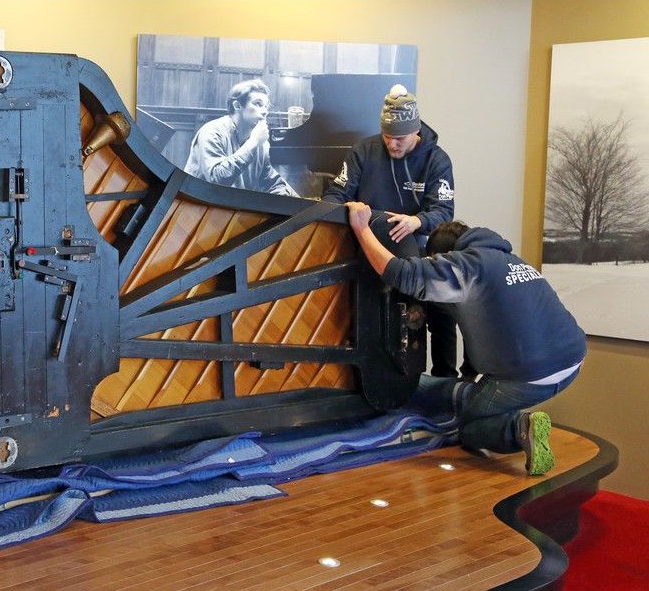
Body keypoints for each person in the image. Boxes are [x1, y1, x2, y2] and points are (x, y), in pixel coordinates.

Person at [344, 202, 587, 475]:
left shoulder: (469, 265)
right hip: (572, 362)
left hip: (528, 376)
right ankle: (501, 412)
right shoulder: (511, 261)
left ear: (444, 255)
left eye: (434, 260)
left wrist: (362, 228)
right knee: (473, 396)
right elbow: (485, 326)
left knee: (470, 429)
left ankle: (519, 428)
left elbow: (401, 273)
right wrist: (469, 374)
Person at [322, 84, 470, 379]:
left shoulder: (437, 160)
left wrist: (417, 222)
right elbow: (333, 197)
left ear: (415, 132)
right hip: (365, 248)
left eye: (400, 138)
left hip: (417, 249)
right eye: (387, 137)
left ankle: (445, 381)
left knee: (442, 312)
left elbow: (443, 211)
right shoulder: (364, 151)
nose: (393, 145)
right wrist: (350, 209)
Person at [183, 79, 299, 196]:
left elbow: (273, 184)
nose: (265, 112)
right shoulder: (212, 131)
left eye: (265, 106)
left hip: (234, 209)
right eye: (258, 104)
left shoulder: (261, 142)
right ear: (237, 105)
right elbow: (216, 180)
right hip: (197, 207)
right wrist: (253, 142)